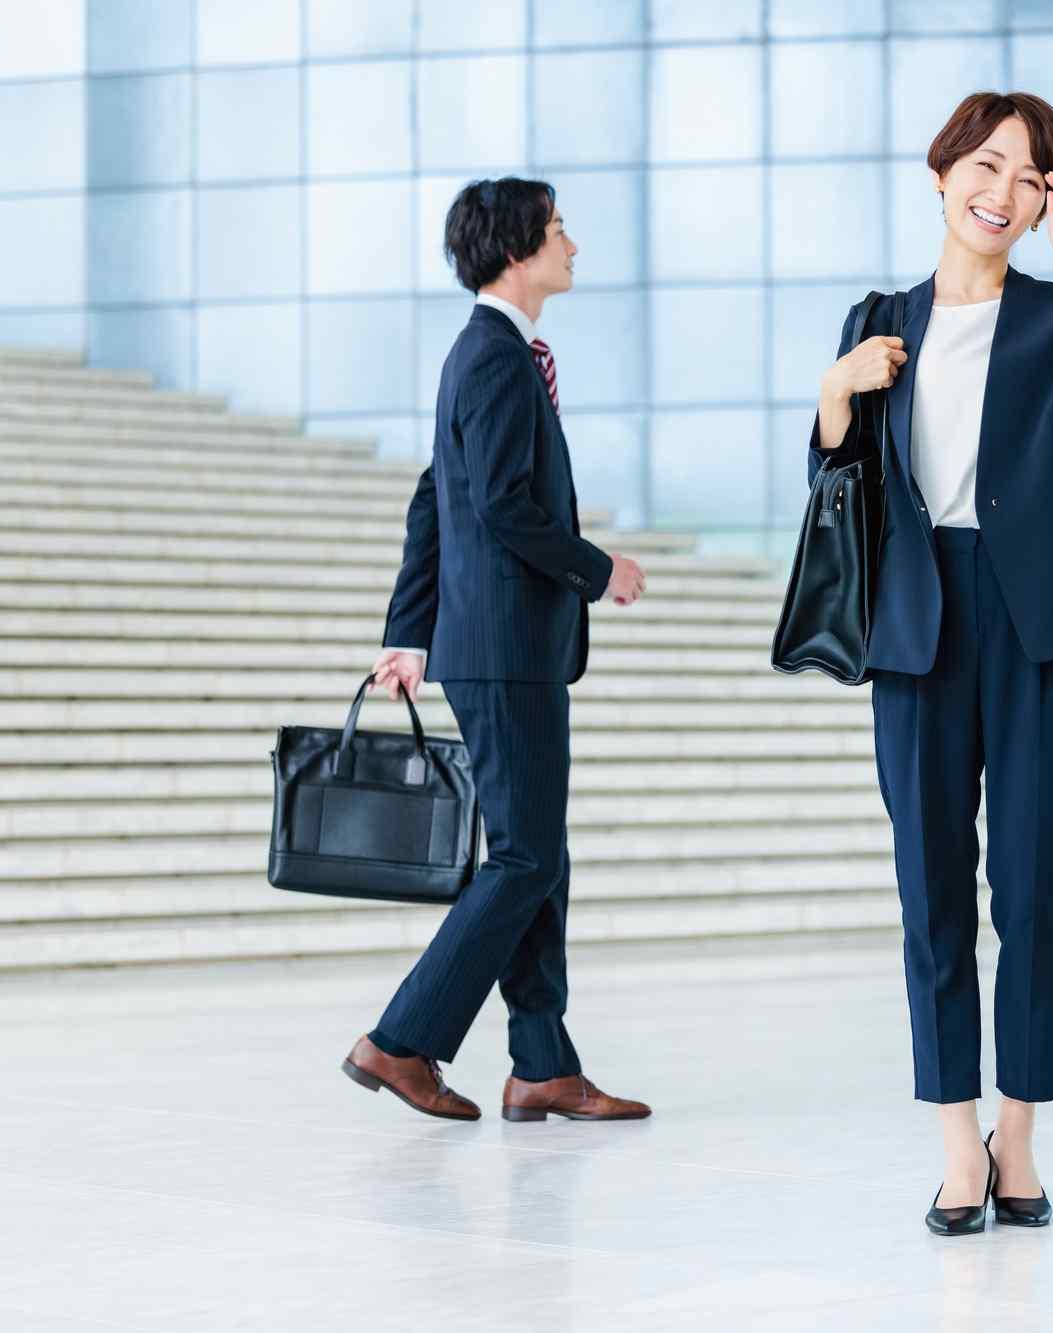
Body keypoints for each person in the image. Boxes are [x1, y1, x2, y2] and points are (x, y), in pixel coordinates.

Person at [808, 92, 1053, 1234]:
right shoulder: (877, 316)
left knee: (1035, 893)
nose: (1000, 194)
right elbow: (836, 482)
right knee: (931, 893)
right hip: (920, 625)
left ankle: (1020, 1135)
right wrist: (833, 394)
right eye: (986, 166)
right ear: (943, 169)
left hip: (1041, 627)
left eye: (1028, 177)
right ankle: (957, 1143)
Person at [341, 177, 651, 1125]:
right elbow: (503, 509)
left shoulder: (488, 354)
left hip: (496, 644)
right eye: (558, 230)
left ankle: (542, 1062)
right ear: (517, 248)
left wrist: (407, 631)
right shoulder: (496, 359)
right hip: (507, 644)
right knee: (521, 859)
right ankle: (401, 1040)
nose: (572, 244)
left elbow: (435, 498)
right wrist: (599, 569)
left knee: (536, 853)